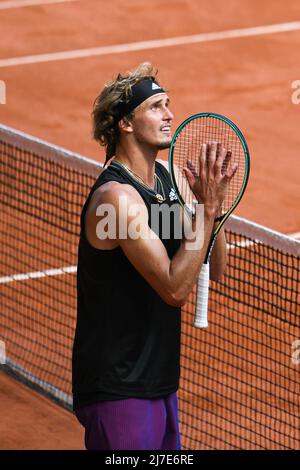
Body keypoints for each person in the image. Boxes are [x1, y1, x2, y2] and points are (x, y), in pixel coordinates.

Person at [72, 62, 236, 450]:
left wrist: (210, 209)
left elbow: (216, 269)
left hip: (159, 378)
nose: (170, 115)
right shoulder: (116, 200)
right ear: (126, 123)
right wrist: (207, 213)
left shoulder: (171, 178)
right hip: (118, 386)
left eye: (169, 104)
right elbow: (175, 289)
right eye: (156, 106)